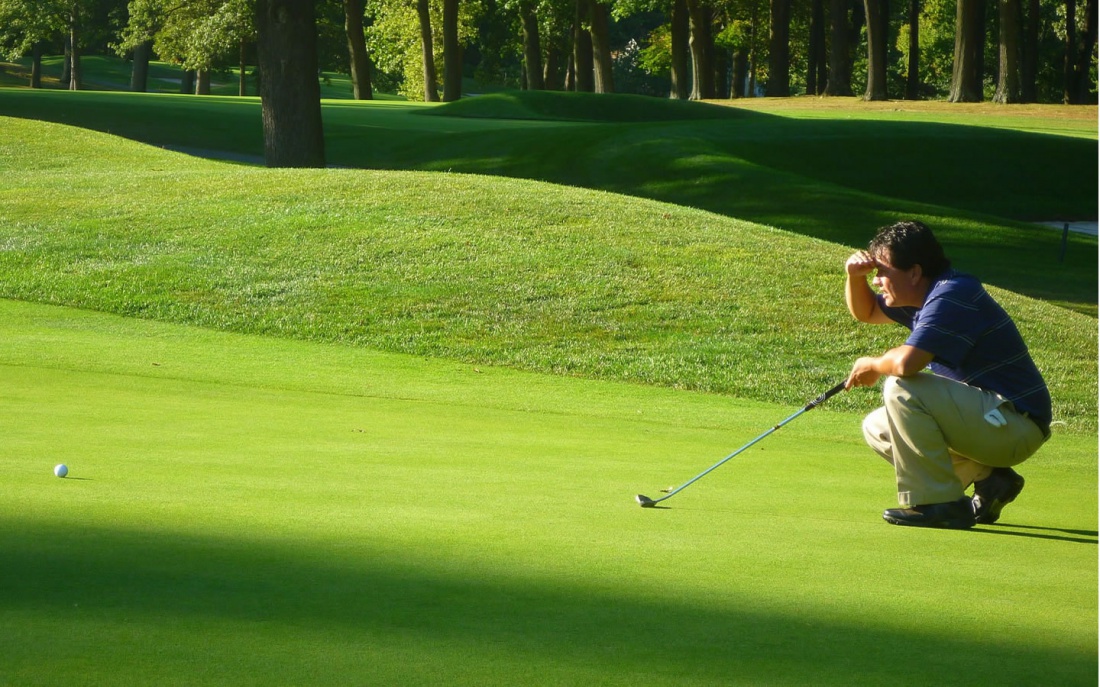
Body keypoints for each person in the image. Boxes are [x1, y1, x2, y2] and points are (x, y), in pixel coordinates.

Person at [843, 220, 1051, 529]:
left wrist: (872, 364)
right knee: (878, 426)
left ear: (914, 272)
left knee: (901, 387)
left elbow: (906, 365)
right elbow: (867, 313)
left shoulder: (952, 294)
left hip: (1016, 424)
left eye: (882, 272)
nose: (877, 280)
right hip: (990, 422)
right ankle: (992, 479)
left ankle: (942, 505)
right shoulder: (921, 296)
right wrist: (853, 277)